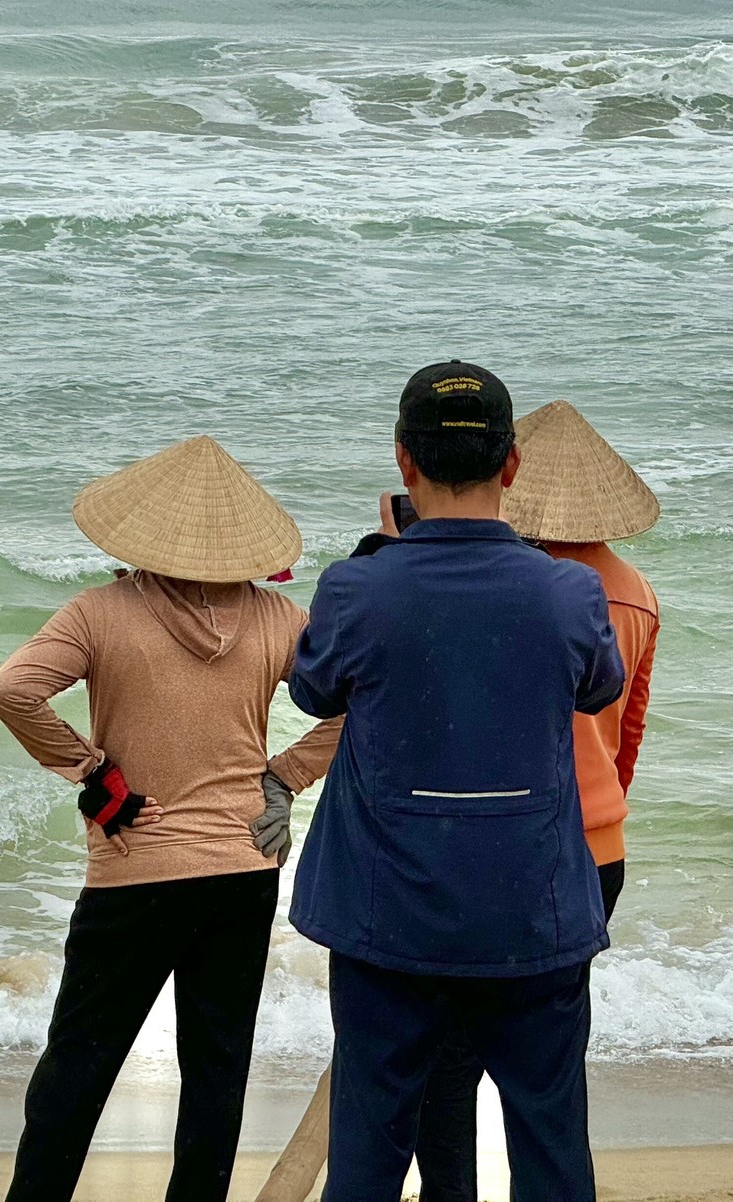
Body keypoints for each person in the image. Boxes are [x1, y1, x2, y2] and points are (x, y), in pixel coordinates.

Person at [289, 361, 625, 1202]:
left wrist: (383, 555)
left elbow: (313, 689)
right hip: (532, 911)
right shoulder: (569, 591)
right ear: (511, 464)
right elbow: (600, 686)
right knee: (551, 1143)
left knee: (368, 1148)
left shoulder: (359, 587)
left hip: (388, 916)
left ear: (404, 461)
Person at [0, 435, 343, 1202]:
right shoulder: (279, 617)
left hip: (135, 874)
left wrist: (91, 770)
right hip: (241, 872)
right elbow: (360, 703)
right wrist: (284, 778)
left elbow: (11, 691)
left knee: (76, 1069)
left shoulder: (98, 612)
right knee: (216, 1074)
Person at [411, 398, 662, 1202]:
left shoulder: (501, 587)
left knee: (446, 1066)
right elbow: (627, 736)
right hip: (593, 850)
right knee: (547, 1072)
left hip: (495, 847)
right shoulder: (634, 592)